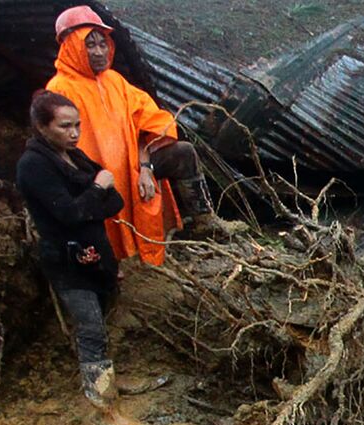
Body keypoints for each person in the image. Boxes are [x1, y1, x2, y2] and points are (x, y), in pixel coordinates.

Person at [45, 7, 240, 267]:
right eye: (89, 45)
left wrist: (145, 167)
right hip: (95, 180)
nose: (99, 51)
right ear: (70, 47)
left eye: (103, 43)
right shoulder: (60, 89)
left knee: (182, 152)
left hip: (134, 167)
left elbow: (146, 124)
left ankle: (205, 222)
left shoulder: (114, 80)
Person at [17, 89, 161, 425]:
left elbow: (115, 201)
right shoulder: (34, 165)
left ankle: (112, 381)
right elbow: (69, 213)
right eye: (65, 126)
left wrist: (94, 196)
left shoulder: (73, 156)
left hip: (96, 256)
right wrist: (96, 189)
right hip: (67, 262)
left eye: (77, 124)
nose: (74, 132)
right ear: (41, 126)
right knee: (91, 331)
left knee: (105, 318)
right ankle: (105, 409)